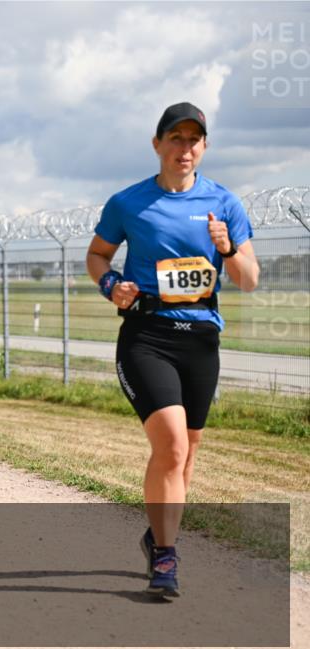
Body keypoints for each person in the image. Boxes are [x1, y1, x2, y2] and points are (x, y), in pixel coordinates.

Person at [86, 102, 260, 598]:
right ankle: (166, 556)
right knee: (172, 445)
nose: (185, 148)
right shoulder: (128, 202)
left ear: (204, 147)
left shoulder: (224, 203)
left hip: (202, 340)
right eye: (176, 138)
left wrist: (227, 249)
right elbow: (98, 255)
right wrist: (111, 284)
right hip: (148, 335)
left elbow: (248, 281)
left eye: (194, 140)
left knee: (187, 457)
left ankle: (156, 534)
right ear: (157, 143)